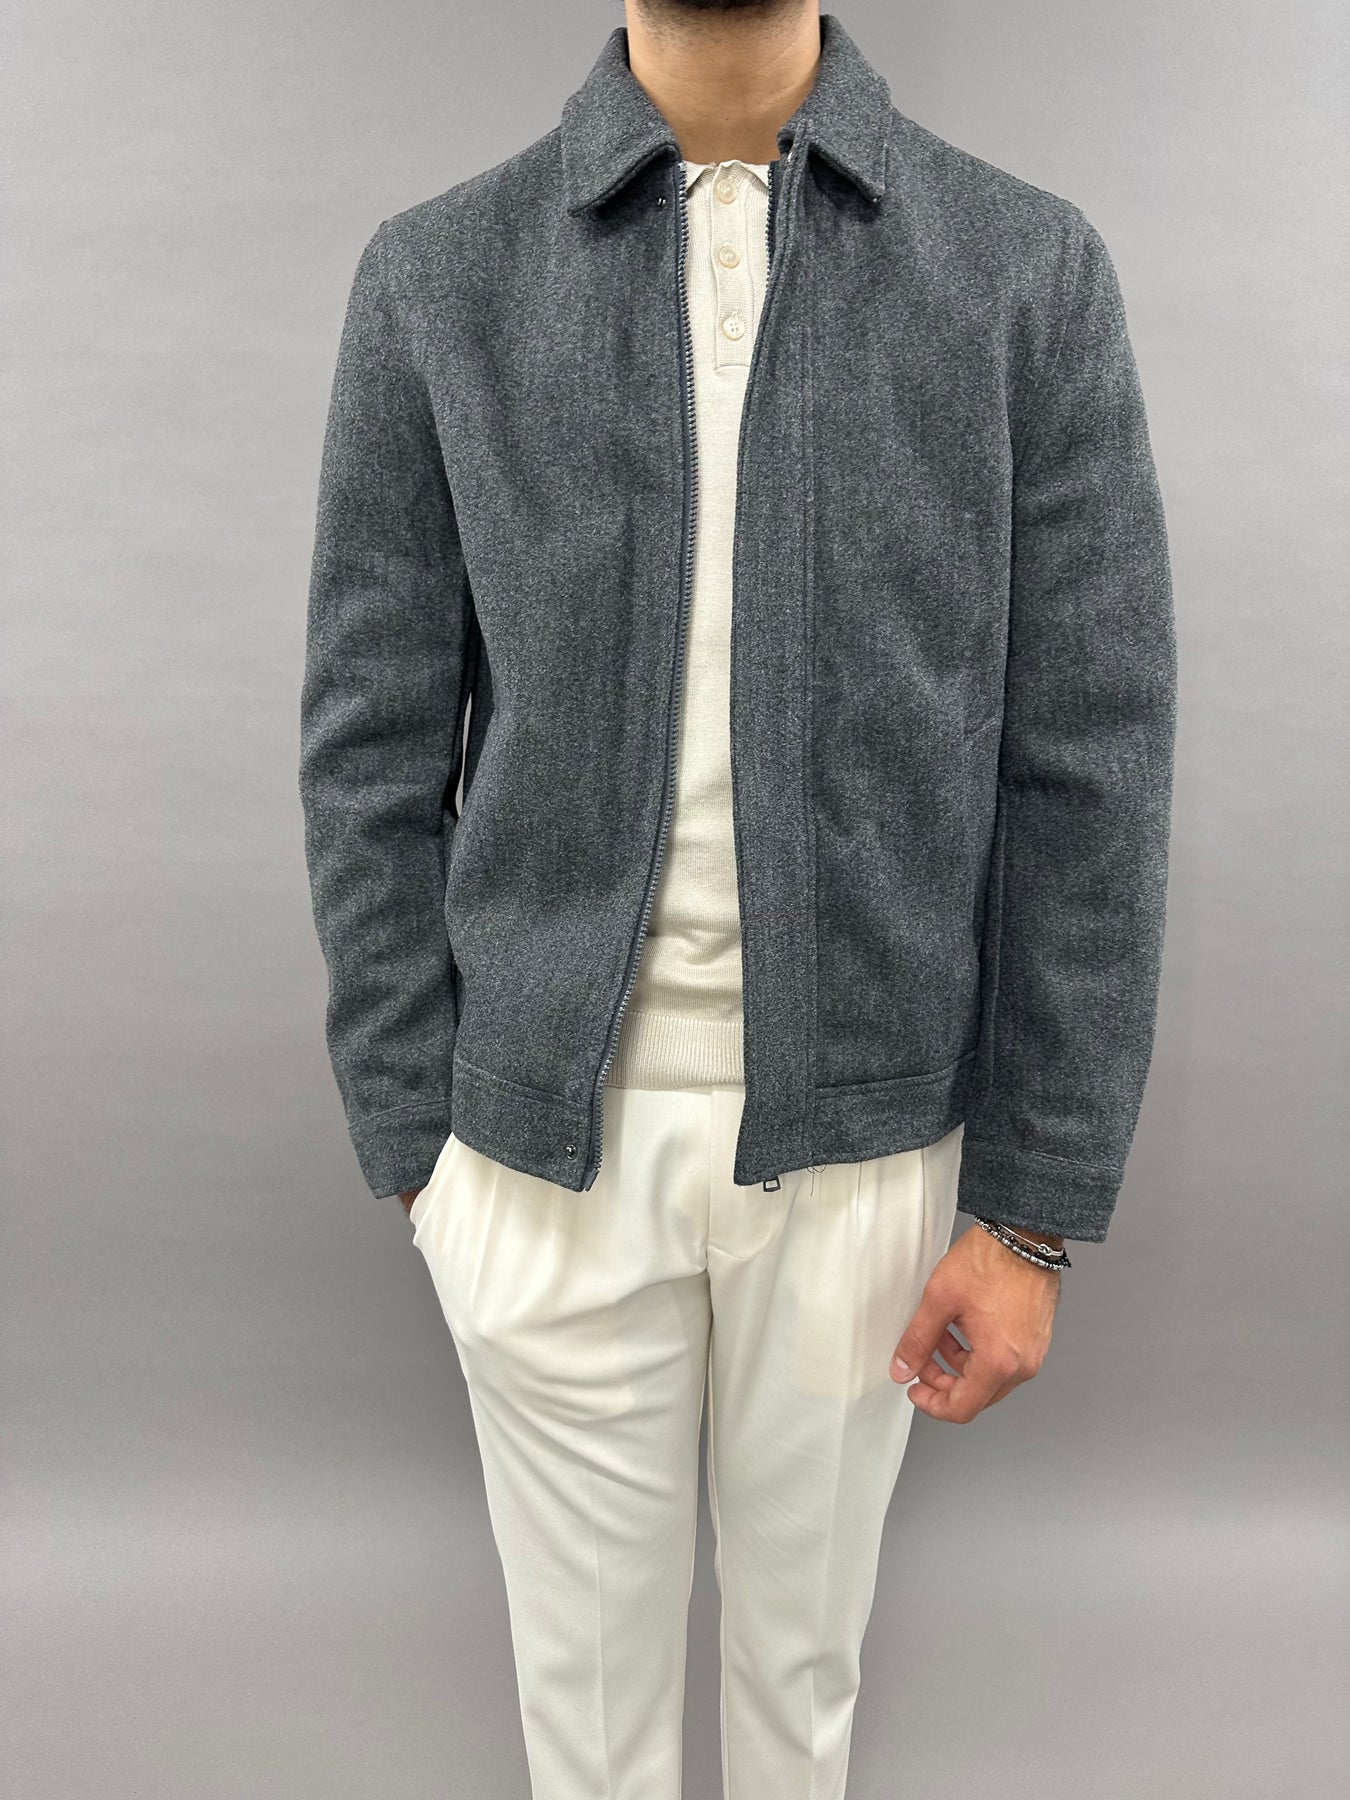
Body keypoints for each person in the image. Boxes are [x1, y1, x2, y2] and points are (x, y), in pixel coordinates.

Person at [298, 3, 1177, 1794]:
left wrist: (1029, 1212)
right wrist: (418, 1150)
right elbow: (368, 745)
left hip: (864, 1158)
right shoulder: (438, 278)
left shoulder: (1021, 270)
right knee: (589, 1741)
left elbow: (1089, 763)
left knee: (802, 1706)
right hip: (537, 1163)